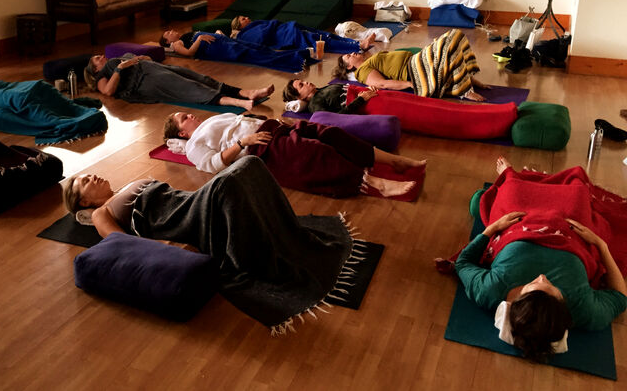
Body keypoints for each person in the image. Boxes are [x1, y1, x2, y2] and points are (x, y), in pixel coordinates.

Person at [63, 155, 362, 332]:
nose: (93, 176)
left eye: (89, 174)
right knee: (231, 180)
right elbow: (120, 243)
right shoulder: (103, 211)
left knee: (251, 163)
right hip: (174, 219)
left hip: (188, 204)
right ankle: (248, 257)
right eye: (86, 181)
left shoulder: (121, 189)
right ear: (84, 202)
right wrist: (170, 251)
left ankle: (284, 234)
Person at [451, 157, 627, 362]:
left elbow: (463, 263)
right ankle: (519, 179)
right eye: (552, 288)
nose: (542, 277)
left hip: (518, 223)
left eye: (532, 285)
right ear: (563, 304)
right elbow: (620, 298)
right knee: (578, 191)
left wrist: (492, 228)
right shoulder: (583, 308)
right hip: (570, 231)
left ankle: (510, 175)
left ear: (514, 301)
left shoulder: (490, 290)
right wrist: (600, 245)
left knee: (512, 190)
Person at [163, 112, 426, 198]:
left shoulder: (210, 120)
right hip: (259, 147)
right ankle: (376, 183)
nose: (190, 116)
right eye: (184, 119)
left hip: (273, 128)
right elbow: (212, 166)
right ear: (183, 133)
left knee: (331, 133)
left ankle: (394, 161)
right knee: (314, 153)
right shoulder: (193, 145)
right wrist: (245, 141)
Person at [332, 29, 489, 101]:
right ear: (349, 67)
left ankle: (467, 77)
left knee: (456, 35)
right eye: (348, 57)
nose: (352, 54)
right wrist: (410, 84)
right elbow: (382, 83)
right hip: (415, 70)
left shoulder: (368, 60)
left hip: (418, 60)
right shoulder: (362, 72)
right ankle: (464, 90)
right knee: (449, 42)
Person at [84, 54, 274, 111]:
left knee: (201, 78)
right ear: (96, 69)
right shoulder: (105, 73)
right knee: (190, 88)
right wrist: (119, 68)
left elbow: (149, 57)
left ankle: (247, 92)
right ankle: (240, 102)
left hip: (152, 68)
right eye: (97, 58)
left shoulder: (116, 58)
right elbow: (108, 92)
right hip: (145, 80)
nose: (101, 56)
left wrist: (141, 58)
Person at [158, 29, 312, 73]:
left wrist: (217, 33)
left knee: (258, 48)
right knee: (252, 54)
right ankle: (296, 59)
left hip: (220, 40)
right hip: (214, 47)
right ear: (167, 42)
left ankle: (297, 55)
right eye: (168, 33)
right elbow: (189, 53)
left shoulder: (182, 35)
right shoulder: (177, 44)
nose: (171, 31)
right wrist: (199, 39)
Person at [229, 16, 366, 54]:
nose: (246, 18)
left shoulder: (255, 24)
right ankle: (356, 46)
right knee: (317, 40)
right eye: (242, 19)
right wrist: (273, 24)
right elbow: (261, 38)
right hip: (285, 36)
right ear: (239, 26)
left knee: (322, 34)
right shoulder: (244, 36)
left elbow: (268, 25)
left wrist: (273, 24)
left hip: (287, 28)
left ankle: (353, 42)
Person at [282, 79, 379, 114]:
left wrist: (366, 88)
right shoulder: (314, 105)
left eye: (302, 81)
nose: (306, 82)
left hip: (371, 93)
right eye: (301, 85)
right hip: (367, 104)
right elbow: (335, 119)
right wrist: (360, 100)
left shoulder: (321, 90)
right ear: (300, 98)